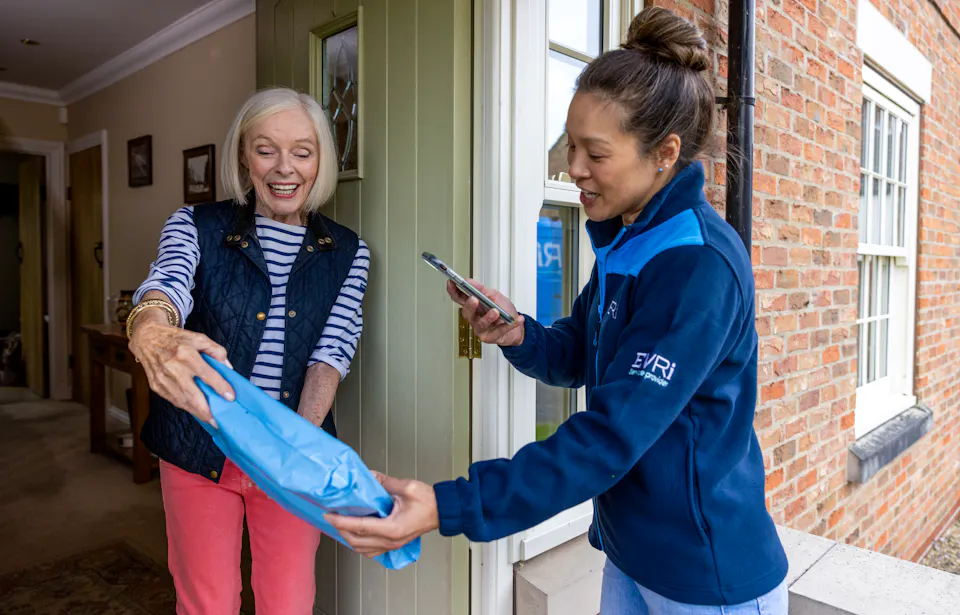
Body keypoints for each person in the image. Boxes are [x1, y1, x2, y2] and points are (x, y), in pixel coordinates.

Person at [327, 7, 788, 614]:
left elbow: (609, 436)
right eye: (571, 145)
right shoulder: (629, 237)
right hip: (631, 553)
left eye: (594, 153)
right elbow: (581, 351)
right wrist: (517, 333)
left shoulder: (696, 265)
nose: (572, 168)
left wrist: (447, 505)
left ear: (664, 153)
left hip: (706, 576)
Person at [125, 87, 369, 615]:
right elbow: (166, 284)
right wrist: (151, 327)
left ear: (320, 160)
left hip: (292, 449)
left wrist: (294, 450)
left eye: (302, 152)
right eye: (266, 149)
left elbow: (331, 355)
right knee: (207, 603)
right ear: (243, 155)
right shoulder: (195, 225)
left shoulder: (348, 251)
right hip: (198, 447)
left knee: (289, 602)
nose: (285, 168)